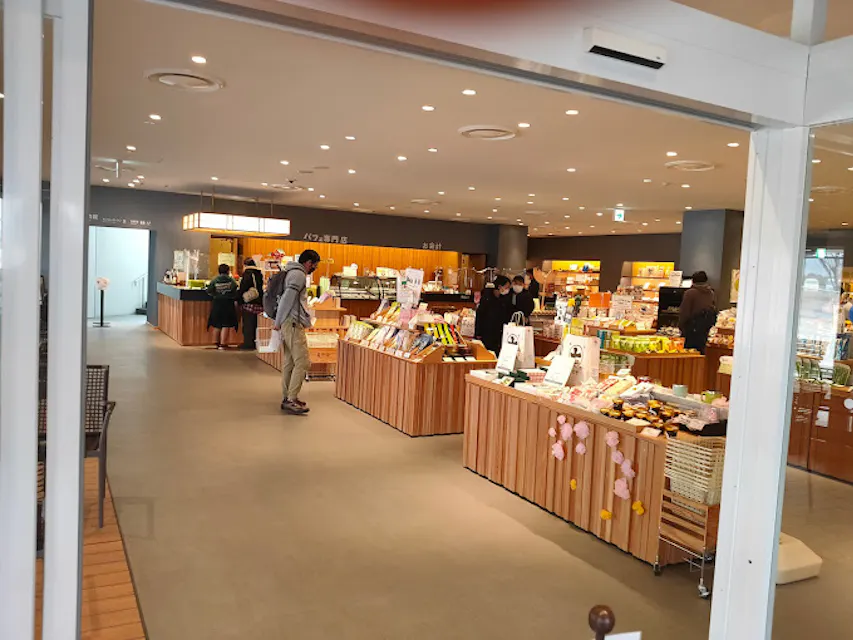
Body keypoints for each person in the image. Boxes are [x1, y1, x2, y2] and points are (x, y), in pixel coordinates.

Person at [275, 249, 321, 415]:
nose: (313, 268)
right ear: (308, 263)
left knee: (290, 361)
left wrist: (279, 321)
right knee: (302, 361)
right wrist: (278, 321)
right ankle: (291, 398)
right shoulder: (299, 275)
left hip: (288, 322)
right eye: (314, 265)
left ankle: (287, 396)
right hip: (293, 323)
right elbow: (288, 299)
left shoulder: (290, 271)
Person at [679, 271, 717, 354]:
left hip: (691, 328)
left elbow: (685, 312)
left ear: (693, 280)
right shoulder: (710, 293)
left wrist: (681, 326)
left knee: (688, 352)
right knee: (700, 351)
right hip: (705, 328)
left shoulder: (690, 293)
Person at [474, 275, 512, 354]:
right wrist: (478, 333)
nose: (508, 289)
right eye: (506, 287)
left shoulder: (505, 299)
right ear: (499, 286)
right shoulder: (487, 298)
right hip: (487, 332)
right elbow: (480, 315)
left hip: (499, 333)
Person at [206, 264, 239, 350]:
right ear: (228, 271)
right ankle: (223, 344)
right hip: (228, 303)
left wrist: (216, 295)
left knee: (217, 324)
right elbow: (235, 289)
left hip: (217, 303)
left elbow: (209, 290)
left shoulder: (215, 280)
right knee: (226, 324)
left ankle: (216, 342)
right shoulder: (231, 280)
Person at [237, 258, 265, 350]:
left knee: (248, 323)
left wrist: (240, 299)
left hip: (249, 302)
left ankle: (248, 343)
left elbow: (243, 287)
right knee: (255, 324)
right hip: (258, 302)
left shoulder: (248, 273)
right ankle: (255, 342)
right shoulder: (259, 273)